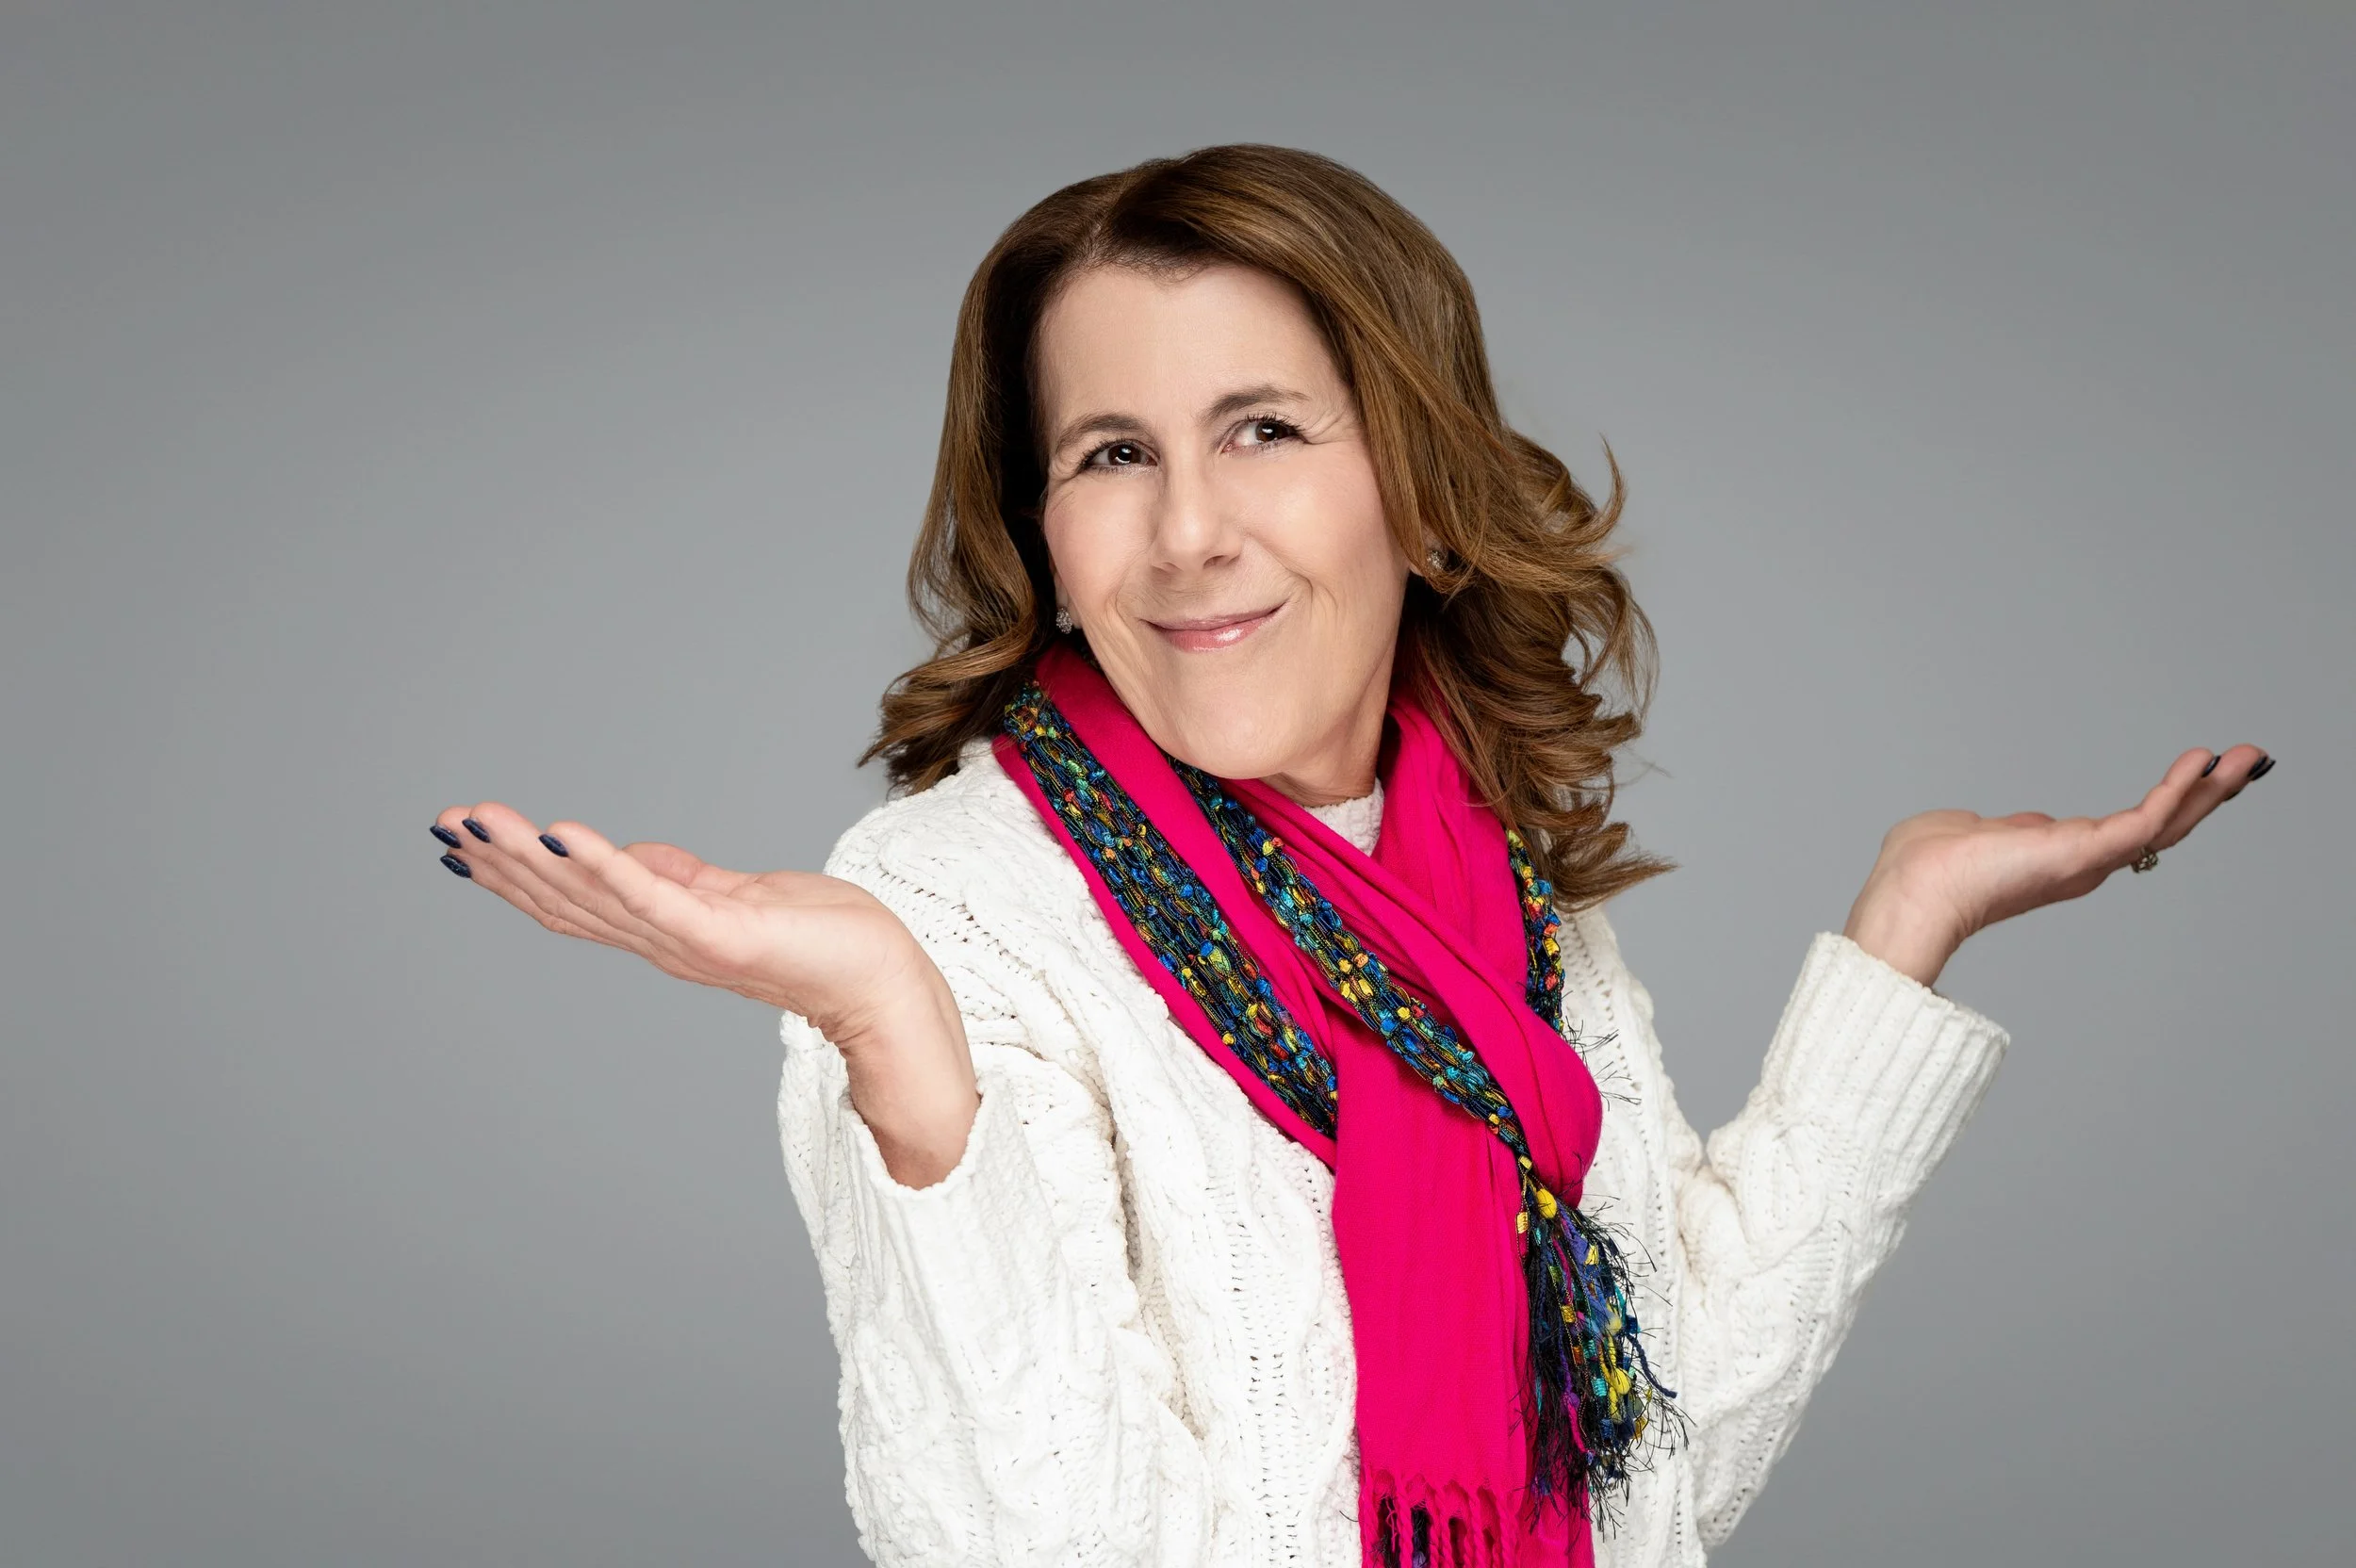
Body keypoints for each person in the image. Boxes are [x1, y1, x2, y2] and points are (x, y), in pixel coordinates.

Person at [427, 145, 2274, 1567]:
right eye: (1110, 453)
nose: (1187, 533)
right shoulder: (947, 909)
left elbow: (1656, 1466)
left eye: (1261, 430)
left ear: (1416, 484)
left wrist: (1901, 935)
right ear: (1042, 529)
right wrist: (900, 1049)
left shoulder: (1486, 881)